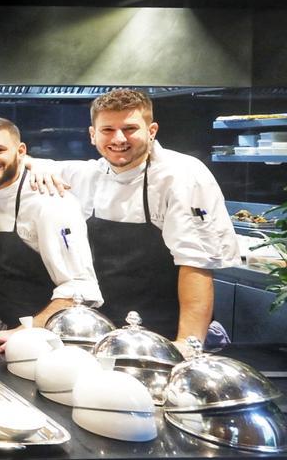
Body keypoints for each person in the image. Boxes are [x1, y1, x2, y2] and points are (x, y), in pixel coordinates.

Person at [34, 89, 240, 344]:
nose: (119, 138)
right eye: (107, 130)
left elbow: (195, 265)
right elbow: (20, 162)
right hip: (103, 329)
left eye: (130, 128)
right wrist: (39, 168)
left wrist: (186, 345)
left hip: (165, 330)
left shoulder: (181, 176)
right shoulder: (89, 174)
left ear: (151, 131)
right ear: (92, 135)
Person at [0, 118, 102, 352]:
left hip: (47, 340)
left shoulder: (49, 202)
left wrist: (26, 331)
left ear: (21, 152)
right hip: (5, 327)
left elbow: (80, 288)